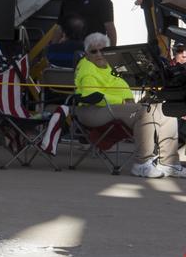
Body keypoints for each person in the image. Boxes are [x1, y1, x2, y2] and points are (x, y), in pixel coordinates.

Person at [74, 32, 180, 178]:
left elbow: (123, 90)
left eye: (103, 50)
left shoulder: (111, 67)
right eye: (94, 51)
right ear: (87, 53)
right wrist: (123, 102)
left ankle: (169, 163)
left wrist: (130, 101)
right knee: (145, 112)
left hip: (114, 110)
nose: (99, 54)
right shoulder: (87, 68)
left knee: (166, 111)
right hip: (91, 111)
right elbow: (91, 95)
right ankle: (142, 164)